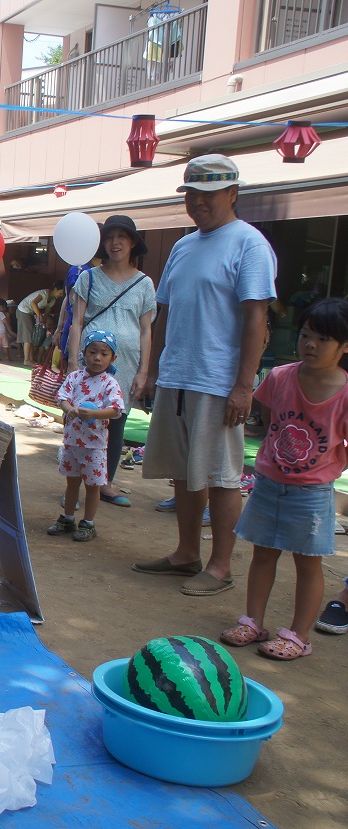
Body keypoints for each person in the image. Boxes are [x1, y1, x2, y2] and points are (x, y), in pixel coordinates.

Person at [134, 154, 277, 597]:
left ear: (233, 194)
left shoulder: (249, 244)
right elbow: (167, 311)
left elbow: (257, 318)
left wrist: (243, 385)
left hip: (219, 380)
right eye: (192, 194)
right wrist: (157, 370)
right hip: (179, 374)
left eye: (208, 195)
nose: (198, 203)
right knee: (183, 472)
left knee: (221, 475)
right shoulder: (183, 245)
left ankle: (220, 566)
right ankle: (186, 553)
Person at [217, 298, 348, 659]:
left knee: (308, 562)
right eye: (306, 335)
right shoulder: (279, 376)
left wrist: (327, 468)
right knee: (263, 553)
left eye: (323, 339)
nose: (310, 344)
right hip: (269, 483)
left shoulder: (345, 393)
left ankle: (298, 636)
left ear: (344, 346)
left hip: (312, 494)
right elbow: (270, 418)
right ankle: (252, 622)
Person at [66, 215, 157, 508]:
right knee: (80, 419)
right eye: (109, 237)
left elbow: (146, 329)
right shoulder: (88, 278)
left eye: (122, 237)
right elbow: (76, 323)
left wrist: (144, 370)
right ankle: (74, 485)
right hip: (88, 361)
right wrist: (72, 363)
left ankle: (105, 482)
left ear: (132, 243)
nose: (115, 243)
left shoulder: (144, 283)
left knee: (116, 418)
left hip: (126, 362)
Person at [47, 330, 125, 542]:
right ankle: (68, 518)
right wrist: (68, 409)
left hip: (94, 446)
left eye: (104, 354)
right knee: (72, 483)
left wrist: (95, 414)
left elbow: (116, 409)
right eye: (92, 352)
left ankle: (88, 523)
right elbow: (61, 397)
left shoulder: (110, 383)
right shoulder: (74, 377)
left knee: (93, 486)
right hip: (72, 442)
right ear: (84, 353)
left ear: (113, 358)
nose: (97, 358)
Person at [16, 285, 62, 366]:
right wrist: (39, 316)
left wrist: (44, 319)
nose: (60, 295)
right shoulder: (44, 293)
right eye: (60, 293)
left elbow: (47, 313)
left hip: (30, 312)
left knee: (31, 335)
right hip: (23, 310)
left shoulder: (53, 300)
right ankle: (27, 359)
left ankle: (31, 359)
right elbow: (33, 303)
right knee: (28, 335)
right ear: (55, 289)